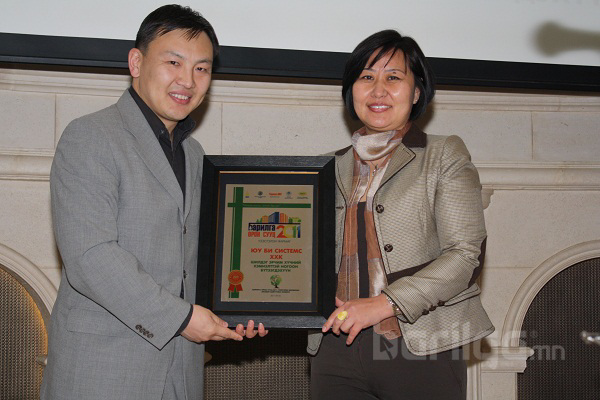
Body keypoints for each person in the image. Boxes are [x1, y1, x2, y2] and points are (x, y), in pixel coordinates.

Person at [41, 5, 266, 400]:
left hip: (181, 369)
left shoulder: (194, 153)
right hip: (104, 369)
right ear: (136, 62)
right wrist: (182, 318)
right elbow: (91, 257)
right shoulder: (91, 136)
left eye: (201, 68)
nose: (188, 80)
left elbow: (200, 258)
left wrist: (248, 305)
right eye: (173, 62)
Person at [308, 30, 494, 399]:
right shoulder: (325, 167)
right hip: (334, 346)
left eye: (393, 77)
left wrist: (385, 304)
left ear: (417, 92)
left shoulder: (444, 154)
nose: (378, 90)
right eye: (366, 77)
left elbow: (465, 255)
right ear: (351, 90)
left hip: (421, 344)